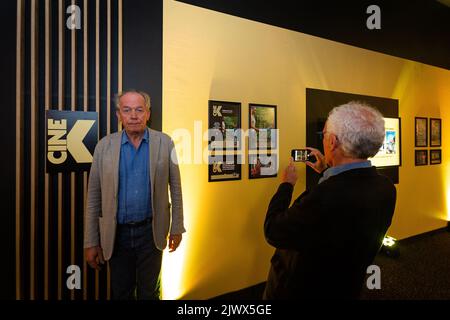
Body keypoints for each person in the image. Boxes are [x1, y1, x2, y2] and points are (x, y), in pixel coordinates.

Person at [263, 101, 396, 299]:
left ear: (332, 142)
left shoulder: (324, 196)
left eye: (324, 135)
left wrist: (286, 185)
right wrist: (327, 170)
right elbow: (345, 208)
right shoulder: (385, 187)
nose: (324, 139)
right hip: (345, 287)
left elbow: (273, 230)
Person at [84, 90, 185, 300]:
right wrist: (91, 241)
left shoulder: (165, 143)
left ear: (147, 113)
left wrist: (177, 227)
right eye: (127, 110)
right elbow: (94, 196)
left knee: (150, 292)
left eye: (139, 110)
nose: (133, 115)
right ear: (118, 115)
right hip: (116, 235)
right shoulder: (104, 146)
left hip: (151, 233)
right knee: (122, 293)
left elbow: (175, 188)